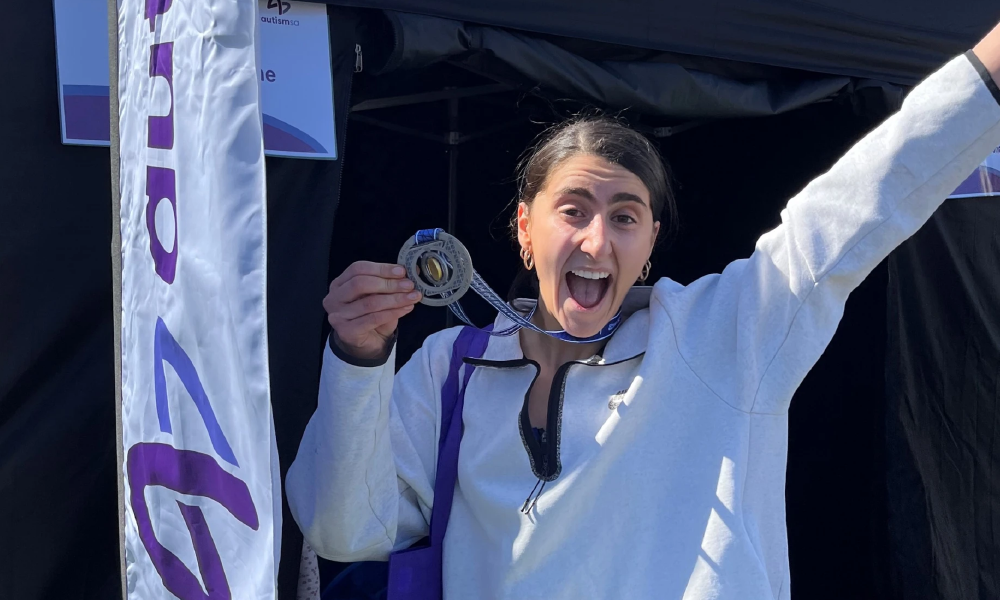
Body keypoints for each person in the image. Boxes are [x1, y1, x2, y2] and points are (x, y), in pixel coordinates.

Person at [286, 24, 1000, 599]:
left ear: (651, 243)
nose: (598, 239)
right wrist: (359, 359)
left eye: (625, 217)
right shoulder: (453, 366)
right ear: (525, 228)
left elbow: (860, 201)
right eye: (573, 209)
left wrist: (989, 71)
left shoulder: (723, 335)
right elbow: (346, 532)